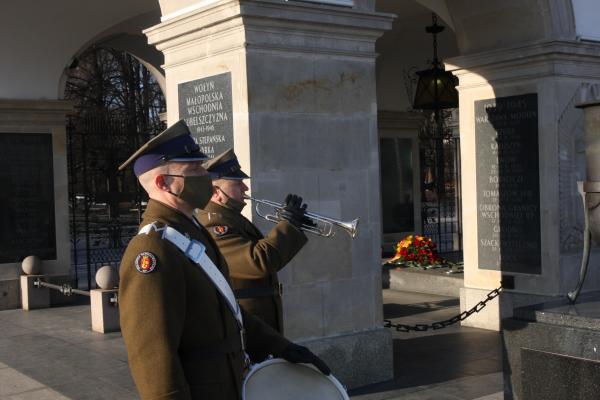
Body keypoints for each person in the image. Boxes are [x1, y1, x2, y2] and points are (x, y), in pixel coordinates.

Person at [117, 121, 329, 400]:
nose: (204, 175)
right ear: (162, 183)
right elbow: (152, 357)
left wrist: (280, 346)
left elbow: (229, 313)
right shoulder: (153, 249)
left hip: (228, 383)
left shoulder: (190, 232)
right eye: (193, 169)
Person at [196, 148, 309, 333]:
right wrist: (288, 225)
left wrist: (293, 225)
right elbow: (258, 262)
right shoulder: (214, 225)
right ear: (216, 192)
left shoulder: (230, 217)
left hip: (259, 317)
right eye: (237, 183)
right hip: (246, 322)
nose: (245, 188)